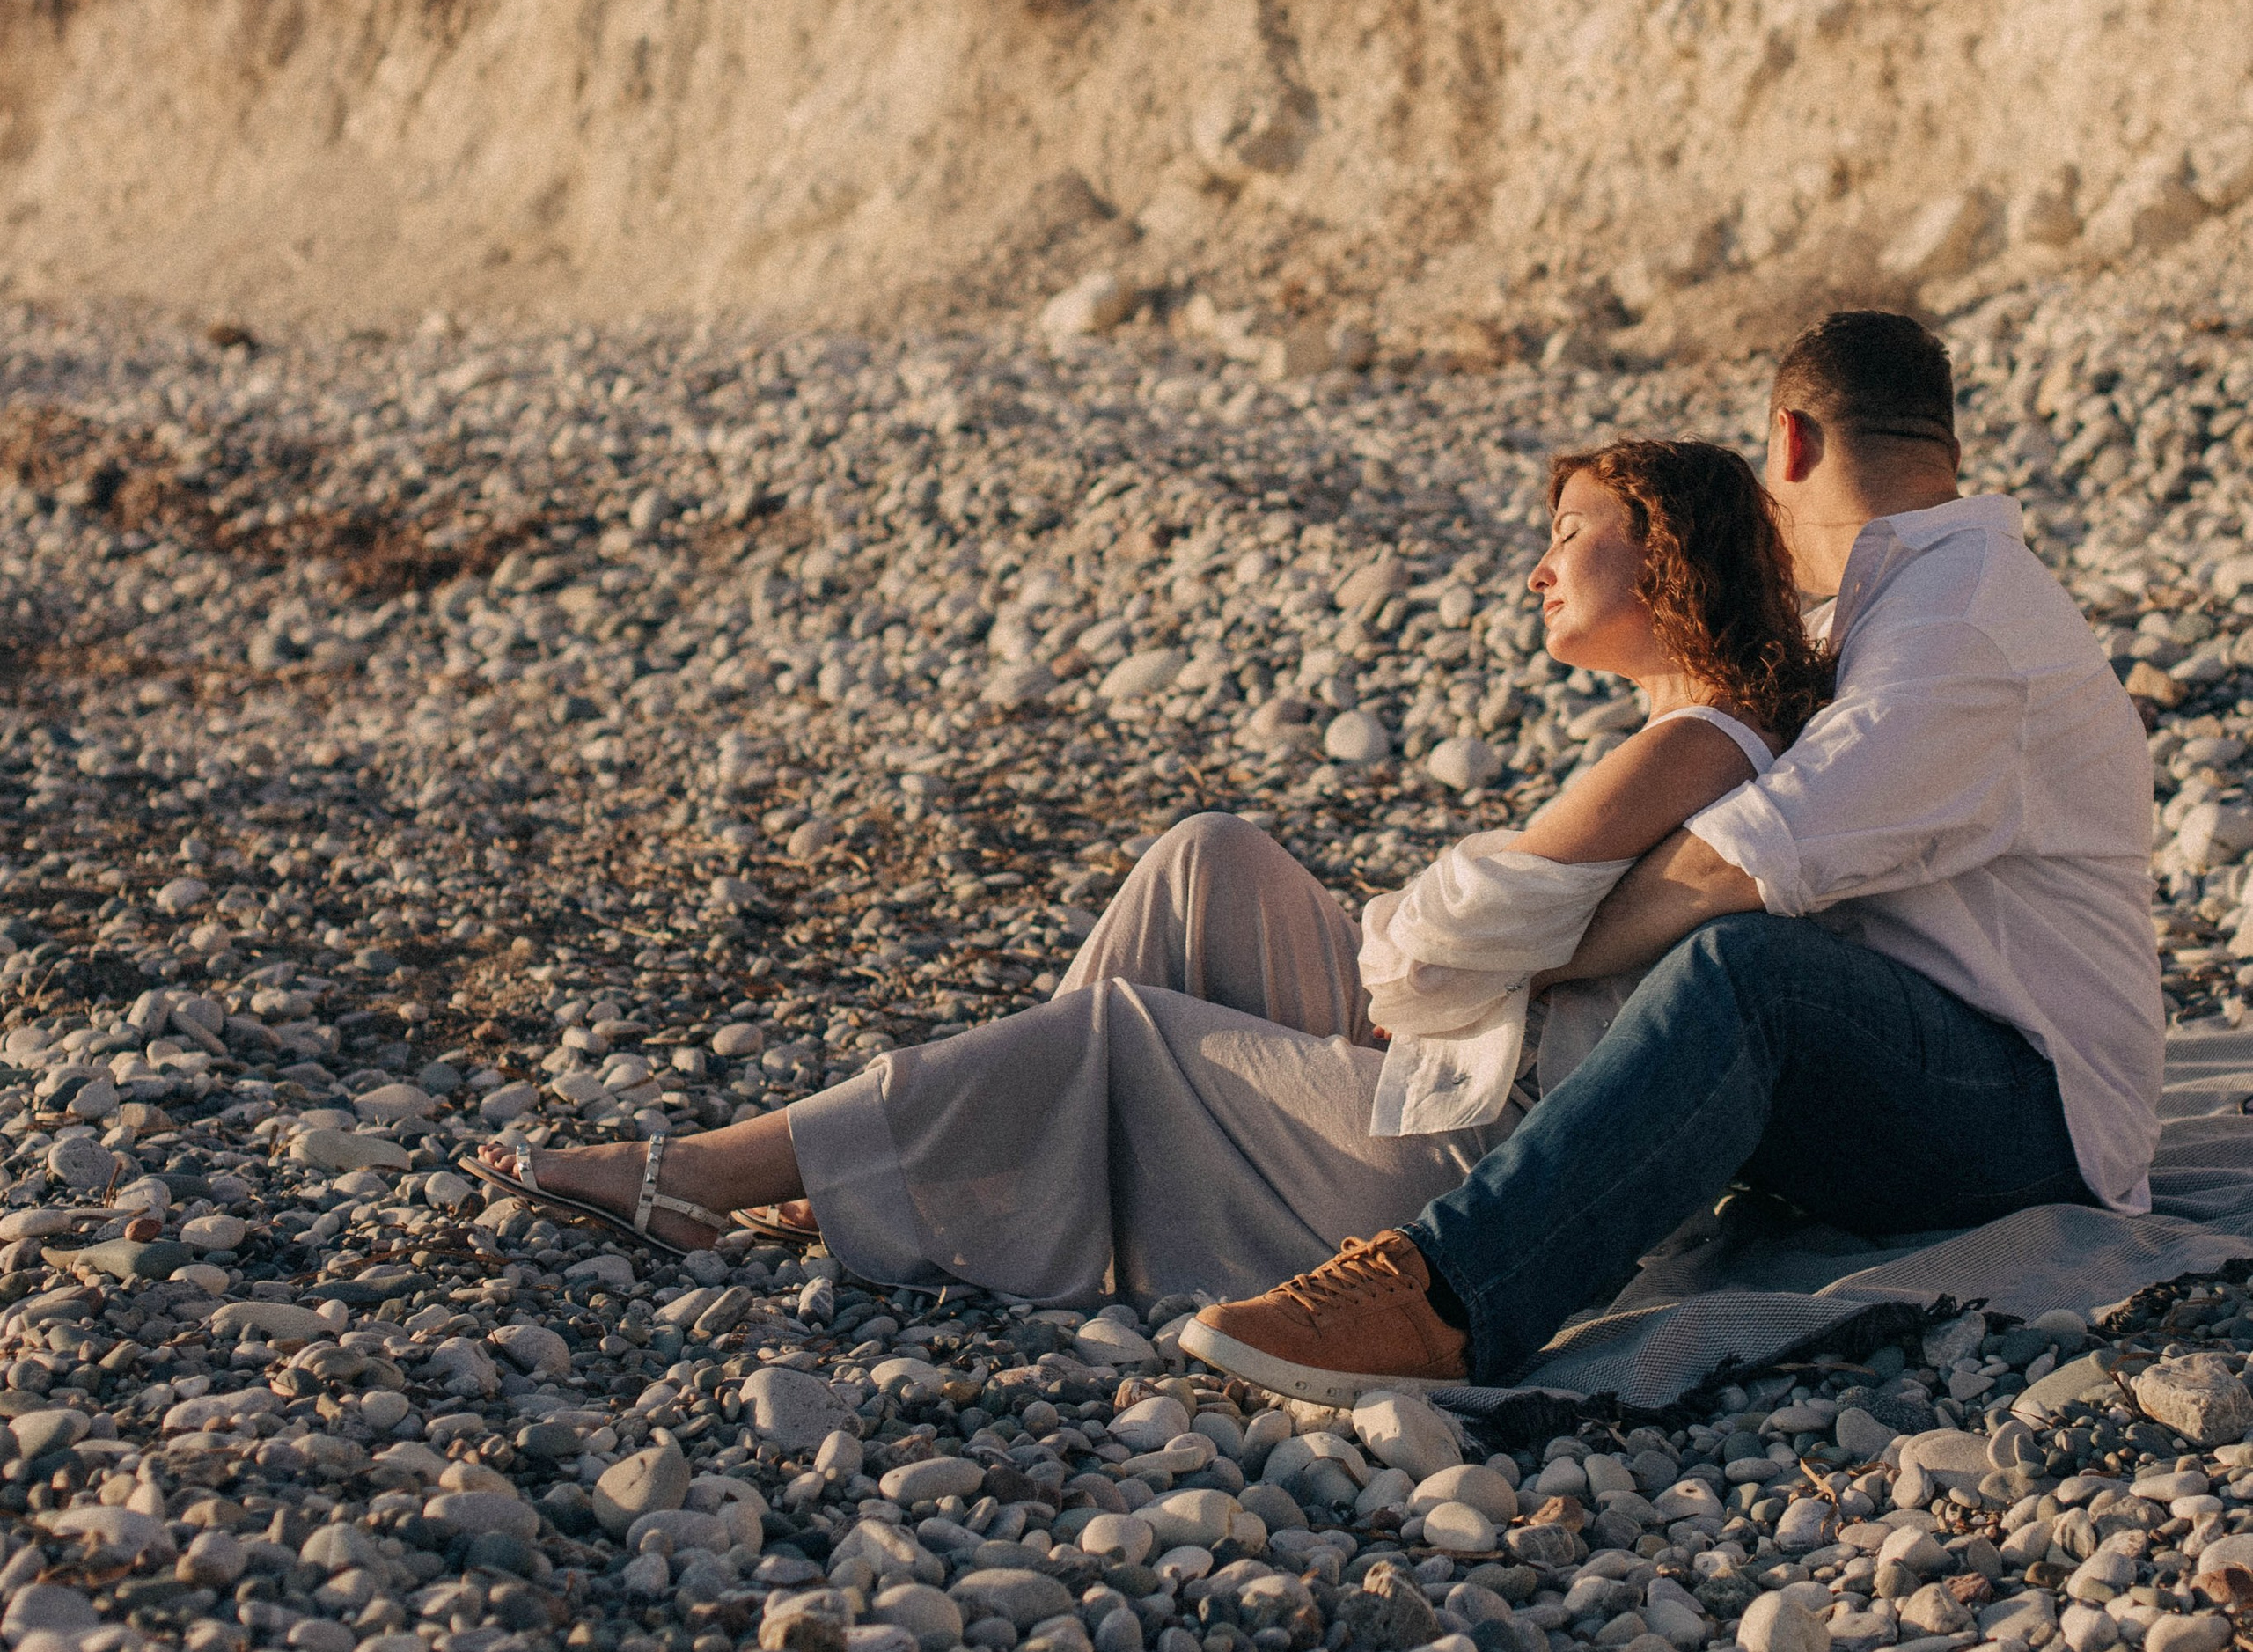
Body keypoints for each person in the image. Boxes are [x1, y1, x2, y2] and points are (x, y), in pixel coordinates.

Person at [473, 439, 1827, 1303]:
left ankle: (712, 1170)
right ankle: (952, 1174)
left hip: (1472, 1146)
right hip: (1471, 1056)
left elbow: (1436, 948)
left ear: (1658, 547)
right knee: (1208, 859)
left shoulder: (1691, 746)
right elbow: (1459, 941)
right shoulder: (1688, 737)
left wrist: (1412, 957)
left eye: (1572, 531)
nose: (1536, 570)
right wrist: (1422, 952)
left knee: (1126, 1034)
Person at [1182, 309, 2166, 1404]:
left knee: (1746, 971)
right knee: (1727, 966)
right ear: (1944, 450)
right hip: (1930, 1063)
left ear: (1786, 443)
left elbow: (1736, 864)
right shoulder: (1895, 606)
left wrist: (1524, 964)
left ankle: (1450, 1299)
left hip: (2035, 1118)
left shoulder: (1957, 622)